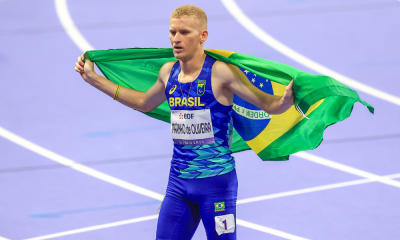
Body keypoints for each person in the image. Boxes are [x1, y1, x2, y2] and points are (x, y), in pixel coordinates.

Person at [75, 4, 294, 240]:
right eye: (172, 32)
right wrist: (94, 79)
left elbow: (270, 105)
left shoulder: (220, 73)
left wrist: (287, 100)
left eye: (184, 32)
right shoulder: (168, 72)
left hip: (216, 184)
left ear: (203, 36)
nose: (176, 39)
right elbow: (143, 102)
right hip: (178, 183)